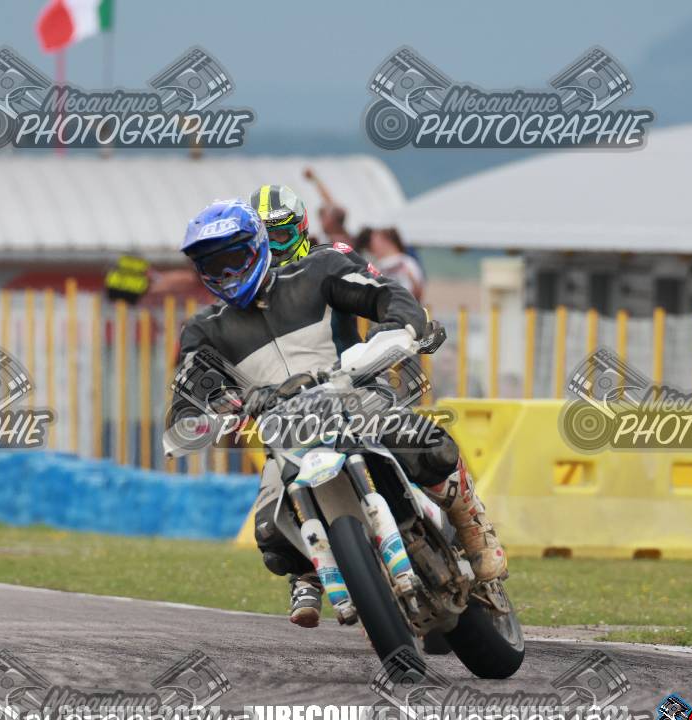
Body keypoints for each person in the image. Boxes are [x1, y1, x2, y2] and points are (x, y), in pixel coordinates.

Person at [169, 198, 506, 628]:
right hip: (287, 434)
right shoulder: (204, 329)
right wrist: (208, 409)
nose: (227, 273)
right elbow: (191, 386)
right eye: (213, 266)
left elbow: (386, 293)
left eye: (233, 258)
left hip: (355, 397)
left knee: (426, 443)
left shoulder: (319, 269)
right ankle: (312, 574)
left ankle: (473, 525)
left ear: (257, 247)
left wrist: (397, 327)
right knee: (271, 536)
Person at [248, 184, 310, 266]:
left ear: (300, 230)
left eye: (280, 233)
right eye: (264, 236)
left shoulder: (322, 263)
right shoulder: (244, 271)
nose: (272, 246)